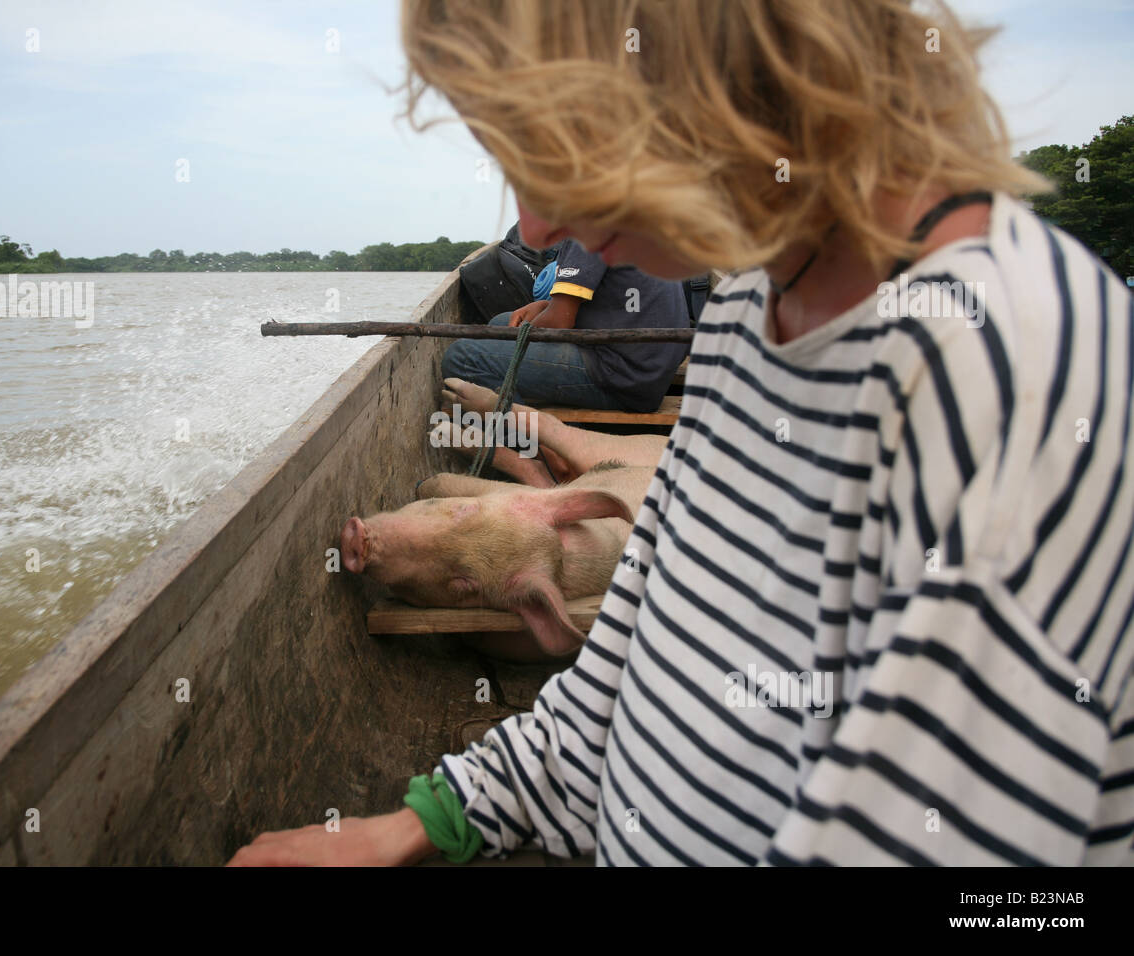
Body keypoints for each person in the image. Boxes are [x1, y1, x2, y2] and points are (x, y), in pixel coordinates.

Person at [230, 0, 1134, 866]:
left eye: (560, 148)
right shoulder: (754, 296)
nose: (539, 224)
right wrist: (439, 819)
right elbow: (635, 651)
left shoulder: (1012, 370)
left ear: (710, 66)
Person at [442, 230, 691, 412]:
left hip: (622, 379)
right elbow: (610, 298)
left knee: (462, 357)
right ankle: (522, 408)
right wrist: (545, 306)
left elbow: (559, 322)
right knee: (501, 324)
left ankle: (541, 454)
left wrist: (543, 319)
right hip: (651, 370)